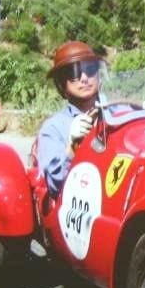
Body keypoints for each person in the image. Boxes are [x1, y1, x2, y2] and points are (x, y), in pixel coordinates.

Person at [38, 41, 105, 196]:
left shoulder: (117, 113)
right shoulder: (53, 127)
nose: (84, 78)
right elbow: (54, 185)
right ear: (62, 84)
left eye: (90, 70)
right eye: (74, 74)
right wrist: (73, 145)